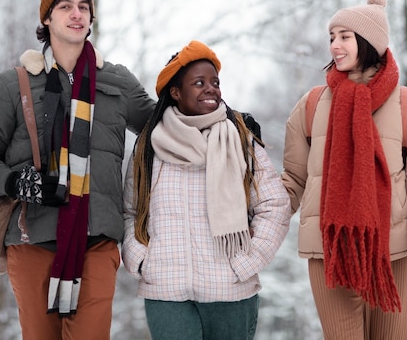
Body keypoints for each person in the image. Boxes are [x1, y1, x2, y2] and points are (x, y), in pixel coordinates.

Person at [0, 0, 156, 340]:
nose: (76, 13)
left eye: (83, 7)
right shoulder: (13, 85)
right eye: (65, 6)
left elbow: (161, 125)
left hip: (98, 240)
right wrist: (14, 181)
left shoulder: (116, 82)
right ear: (46, 18)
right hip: (32, 240)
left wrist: (219, 116)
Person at [282, 0, 407, 340]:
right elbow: (292, 183)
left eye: (345, 37)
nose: (335, 46)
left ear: (369, 42)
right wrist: (250, 222)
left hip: (394, 253)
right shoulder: (311, 105)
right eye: (332, 37)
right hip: (330, 251)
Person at [121, 40, 291, 340]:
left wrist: (245, 263)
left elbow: (274, 205)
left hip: (231, 291)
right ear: (176, 92)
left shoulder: (240, 137)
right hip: (167, 293)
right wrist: (143, 260)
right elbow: (130, 212)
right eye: (199, 83)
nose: (211, 89)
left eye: (215, 82)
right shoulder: (149, 145)